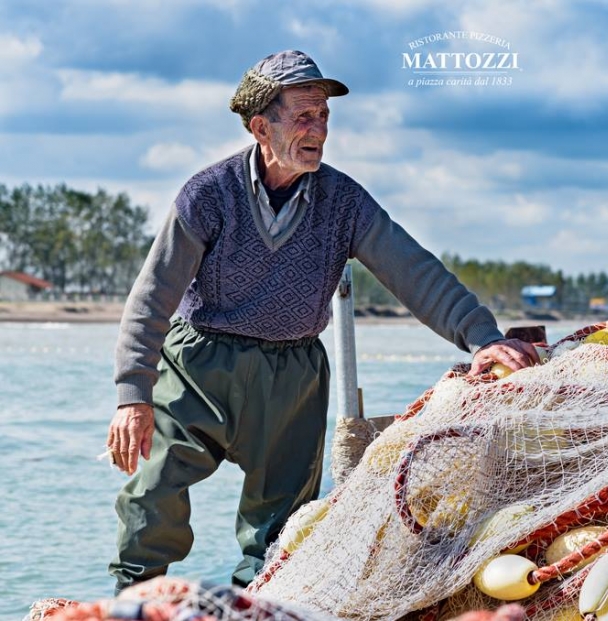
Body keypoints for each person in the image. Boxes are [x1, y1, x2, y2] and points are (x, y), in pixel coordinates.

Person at [106, 50, 538, 593]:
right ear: (261, 125)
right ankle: (131, 603)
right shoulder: (207, 195)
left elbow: (413, 271)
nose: (319, 131)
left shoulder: (344, 202)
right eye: (304, 117)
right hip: (199, 365)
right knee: (153, 494)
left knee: (280, 528)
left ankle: (252, 606)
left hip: (294, 375)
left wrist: (482, 337)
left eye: (325, 117)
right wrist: (132, 395)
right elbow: (151, 299)